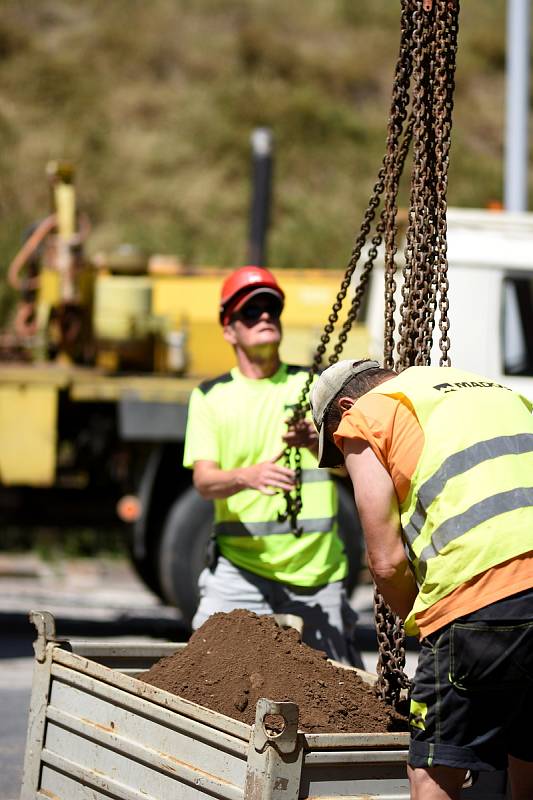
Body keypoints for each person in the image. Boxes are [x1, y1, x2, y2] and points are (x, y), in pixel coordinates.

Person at [309, 358, 533, 800]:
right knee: (527, 749)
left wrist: (425, 623)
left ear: (346, 406)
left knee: (434, 771)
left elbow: (387, 561)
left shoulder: (365, 415)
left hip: (479, 595)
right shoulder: (501, 393)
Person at [182, 266, 360, 664]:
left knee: (339, 694)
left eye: (271, 309)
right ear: (229, 329)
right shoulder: (211, 397)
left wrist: (318, 443)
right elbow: (205, 481)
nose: (264, 316)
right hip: (240, 573)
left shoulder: (313, 387)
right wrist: (249, 476)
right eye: (250, 311)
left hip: (316, 574)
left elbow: (356, 466)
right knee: (204, 676)